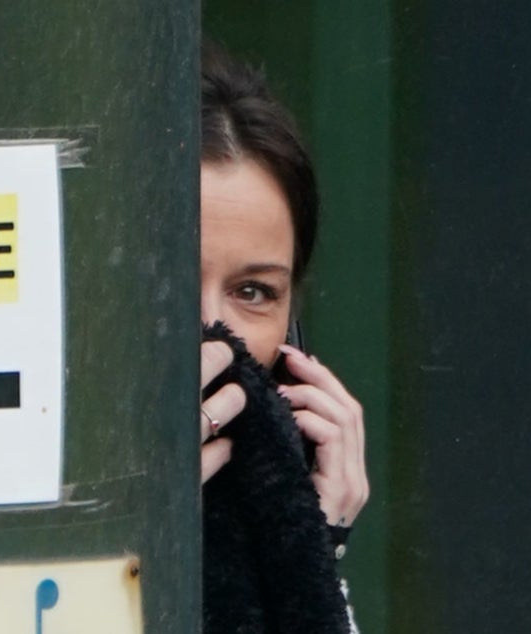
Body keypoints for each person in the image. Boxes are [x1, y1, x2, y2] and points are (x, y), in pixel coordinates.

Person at [198, 42, 369, 633]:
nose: (210, 331)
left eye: (252, 293)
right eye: (167, 282)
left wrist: (313, 543)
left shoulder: (283, 506)